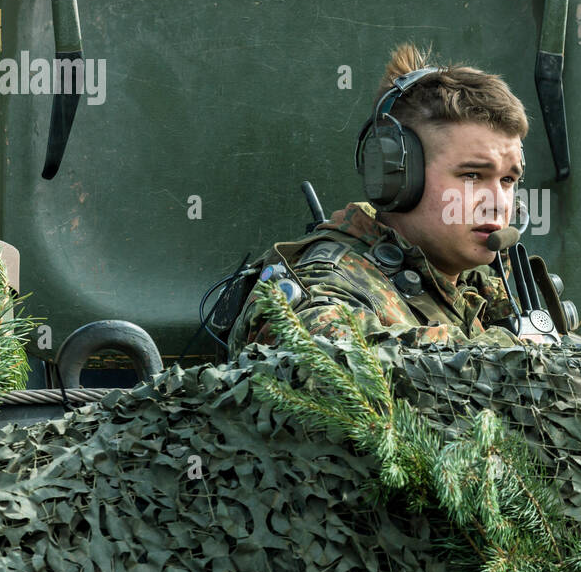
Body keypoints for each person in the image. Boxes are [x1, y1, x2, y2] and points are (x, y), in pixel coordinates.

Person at [228, 43, 555, 357]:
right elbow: (347, 368)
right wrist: (519, 348)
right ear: (398, 176)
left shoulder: (486, 288)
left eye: (508, 180)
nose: (497, 202)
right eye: (472, 176)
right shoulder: (325, 290)